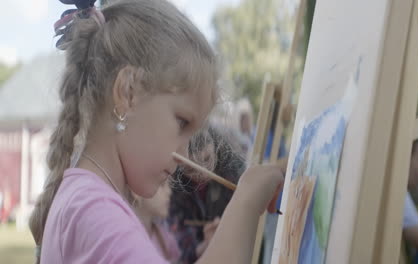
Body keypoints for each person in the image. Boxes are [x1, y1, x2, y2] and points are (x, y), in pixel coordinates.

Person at [29, 0, 283, 263]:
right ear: (128, 93)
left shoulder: (88, 200)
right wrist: (247, 202)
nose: (184, 153)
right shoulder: (92, 208)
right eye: (182, 122)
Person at [169, 124, 246, 263]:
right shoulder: (175, 188)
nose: (203, 173)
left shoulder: (231, 167)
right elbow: (180, 248)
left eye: (207, 159)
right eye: (192, 169)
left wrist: (231, 222)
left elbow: (247, 208)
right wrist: (205, 244)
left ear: (214, 145)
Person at [136, 181, 181, 263]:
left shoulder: (165, 238)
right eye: (162, 185)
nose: (169, 192)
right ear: (136, 193)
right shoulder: (129, 241)